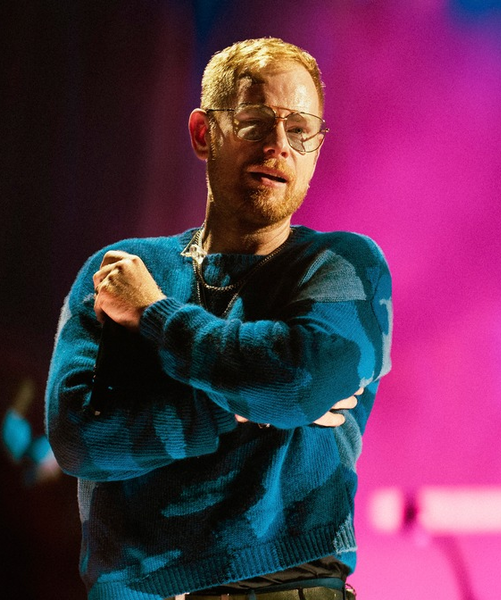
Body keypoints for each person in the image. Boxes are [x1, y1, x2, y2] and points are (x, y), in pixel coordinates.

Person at [45, 37, 393, 600]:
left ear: (316, 149)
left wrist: (153, 317)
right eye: (256, 122)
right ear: (205, 133)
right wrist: (248, 406)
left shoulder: (342, 265)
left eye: (301, 129)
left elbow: (298, 383)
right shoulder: (120, 269)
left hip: (286, 588)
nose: (279, 145)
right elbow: (81, 440)